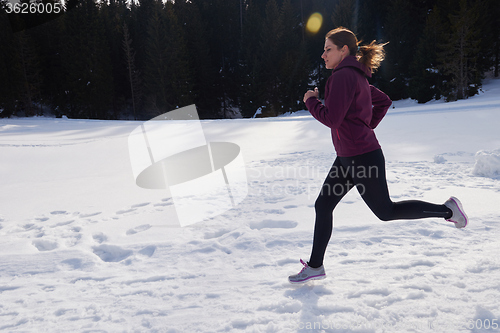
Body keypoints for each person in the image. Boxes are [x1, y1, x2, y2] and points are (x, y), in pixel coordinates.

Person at [288, 27, 468, 284]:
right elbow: (383, 101)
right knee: (323, 205)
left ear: (344, 50)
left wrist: (311, 102)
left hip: (361, 157)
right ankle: (316, 266)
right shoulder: (356, 76)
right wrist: (364, 128)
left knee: (385, 211)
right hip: (349, 156)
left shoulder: (342, 77)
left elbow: (333, 119)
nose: (323, 55)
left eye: (328, 49)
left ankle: (448, 211)